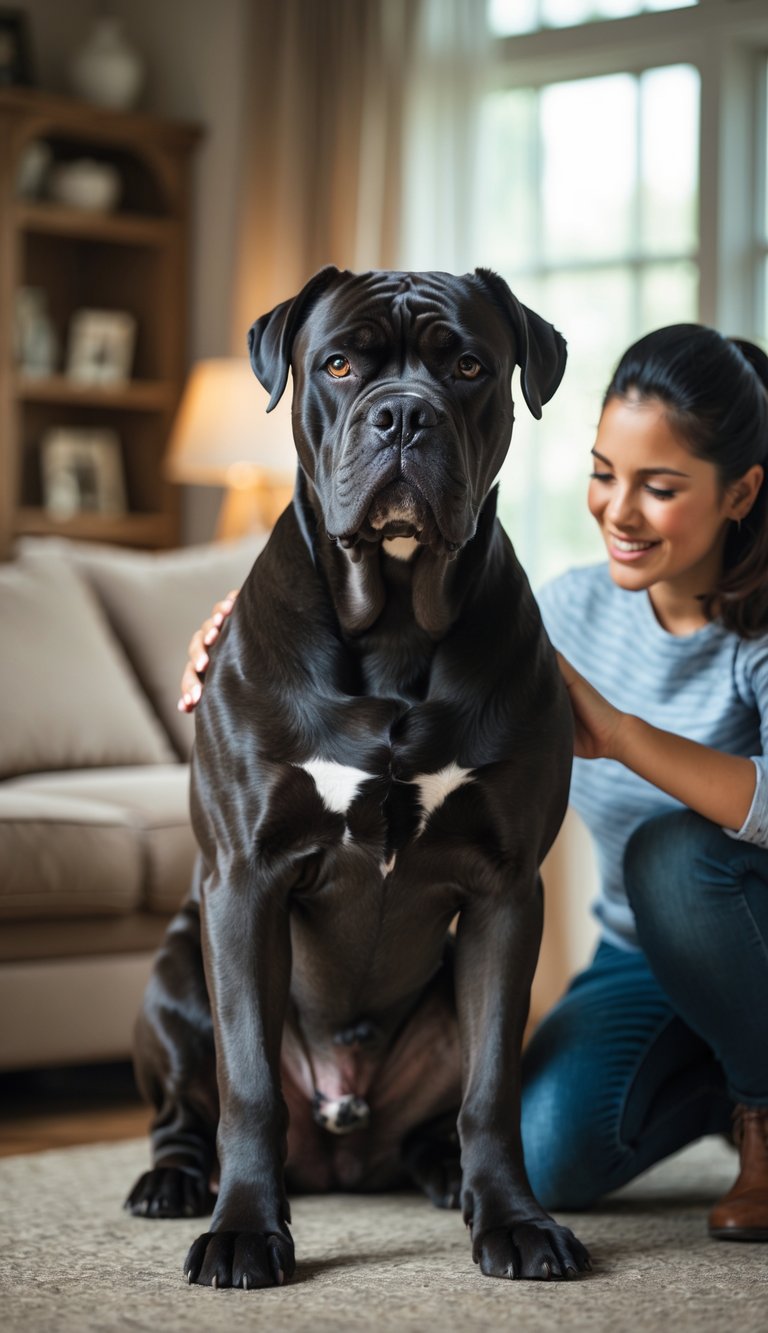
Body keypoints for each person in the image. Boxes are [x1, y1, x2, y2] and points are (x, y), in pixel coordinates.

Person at [179, 323, 768, 1240]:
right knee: (559, 1149)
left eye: (659, 487)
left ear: (741, 492)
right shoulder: (567, 606)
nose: (619, 510)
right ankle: (720, 1082)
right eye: (603, 473)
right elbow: (402, 632)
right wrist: (244, 625)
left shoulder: (755, 640)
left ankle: (765, 1109)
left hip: (750, 934)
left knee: (672, 858)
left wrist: (620, 733)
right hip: (644, 967)